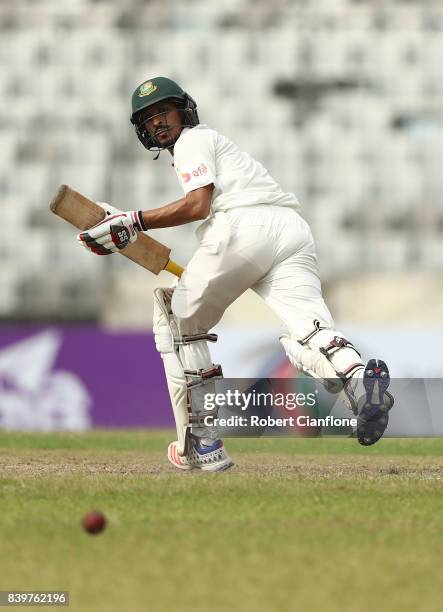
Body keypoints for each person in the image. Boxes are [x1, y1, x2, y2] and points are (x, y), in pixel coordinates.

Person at [77, 76, 394, 472]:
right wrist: (125, 224)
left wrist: (135, 221)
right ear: (142, 130)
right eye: (149, 117)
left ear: (184, 110)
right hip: (291, 230)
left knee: (177, 320)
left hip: (245, 229)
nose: (158, 121)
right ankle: (360, 380)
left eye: (164, 111)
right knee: (310, 329)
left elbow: (197, 205)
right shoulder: (214, 145)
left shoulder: (192, 140)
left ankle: (202, 442)